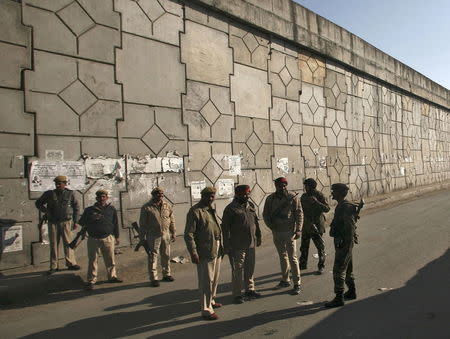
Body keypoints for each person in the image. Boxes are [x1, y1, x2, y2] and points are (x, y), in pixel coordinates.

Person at [184, 187, 223, 321]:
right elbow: (189, 235)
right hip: (204, 250)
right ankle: (206, 310)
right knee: (206, 281)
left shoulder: (211, 209)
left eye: (212, 196)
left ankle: (211, 300)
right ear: (202, 196)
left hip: (216, 247)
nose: (210, 198)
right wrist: (193, 252)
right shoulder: (195, 211)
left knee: (215, 278)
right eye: (208, 196)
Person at [263, 177, 304, 295]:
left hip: (289, 231)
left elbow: (299, 213)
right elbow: (265, 214)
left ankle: (297, 283)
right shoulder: (270, 199)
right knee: (282, 256)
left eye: (284, 185)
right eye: (280, 185)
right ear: (276, 186)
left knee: (293, 257)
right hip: (277, 231)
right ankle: (285, 279)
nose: (282, 187)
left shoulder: (292, 197)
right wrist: (271, 226)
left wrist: (298, 230)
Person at [222, 185, 262, 304]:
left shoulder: (251, 206)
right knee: (238, 270)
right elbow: (225, 228)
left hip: (250, 243)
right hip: (237, 245)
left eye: (248, 194)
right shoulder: (230, 209)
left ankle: (250, 289)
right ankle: (237, 294)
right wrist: (226, 245)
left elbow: (256, 222)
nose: (246, 196)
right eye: (244, 194)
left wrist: (258, 235)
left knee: (250, 268)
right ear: (237, 195)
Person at [35, 175, 80, 274]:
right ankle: (54, 266)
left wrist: (76, 221)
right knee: (54, 244)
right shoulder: (49, 194)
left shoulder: (70, 194)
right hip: (53, 222)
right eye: (56, 183)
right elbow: (38, 203)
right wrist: (46, 211)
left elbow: (76, 207)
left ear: (65, 184)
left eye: (60, 183)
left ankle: (71, 263)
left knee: (68, 243)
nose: (58, 185)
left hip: (66, 222)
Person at [78, 189, 122, 290]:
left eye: (103, 197)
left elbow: (115, 223)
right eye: (99, 197)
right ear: (96, 198)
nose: (101, 199)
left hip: (108, 237)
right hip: (93, 238)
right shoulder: (89, 210)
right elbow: (81, 222)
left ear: (106, 197)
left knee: (110, 259)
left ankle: (112, 277)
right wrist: (92, 218)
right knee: (93, 260)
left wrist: (117, 236)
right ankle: (91, 280)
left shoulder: (111, 209)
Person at [325, 183, 358, 308]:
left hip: (344, 243)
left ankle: (339, 297)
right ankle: (352, 291)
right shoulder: (342, 206)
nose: (332, 193)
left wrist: (344, 243)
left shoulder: (345, 207)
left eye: (334, 191)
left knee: (338, 269)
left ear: (339, 193)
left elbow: (349, 228)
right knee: (348, 268)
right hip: (344, 242)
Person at [139, 187, 176, 287]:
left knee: (166, 255)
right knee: (153, 256)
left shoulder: (167, 205)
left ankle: (166, 274)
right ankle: (153, 278)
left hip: (165, 234)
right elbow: (142, 224)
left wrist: (173, 232)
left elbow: (171, 219)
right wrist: (142, 237)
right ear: (153, 195)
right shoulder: (146, 207)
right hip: (153, 235)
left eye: (162, 194)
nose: (160, 196)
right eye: (158, 194)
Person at [299, 178, 330, 274]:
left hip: (317, 225)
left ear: (312, 186)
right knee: (304, 247)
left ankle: (321, 266)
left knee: (320, 247)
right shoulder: (303, 196)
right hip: (306, 226)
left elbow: (327, 208)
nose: (305, 188)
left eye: (306, 186)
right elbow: (300, 210)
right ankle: (302, 265)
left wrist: (317, 202)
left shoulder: (319, 195)